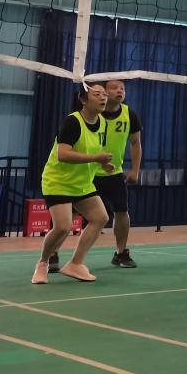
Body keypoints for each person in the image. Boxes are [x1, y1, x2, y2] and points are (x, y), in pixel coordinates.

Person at [32, 83, 113, 285]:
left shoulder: (103, 123)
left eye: (104, 94)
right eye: (97, 94)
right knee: (62, 227)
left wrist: (103, 164)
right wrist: (95, 158)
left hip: (82, 183)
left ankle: (76, 263)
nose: (103, 97)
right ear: (83, 100)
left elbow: (92, 150)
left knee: (100, 218)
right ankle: (42, 263)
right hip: (58, 181)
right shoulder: (72, 122)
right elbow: (63, 154)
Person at [92, 79, 143, 269]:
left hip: (115, 173)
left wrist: (135, 170)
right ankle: (53, 254)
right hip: (88, 172)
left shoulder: (129, 114)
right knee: (69, 214)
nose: (120, 91)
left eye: (122, 88)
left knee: (122, 212)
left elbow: (135, 143)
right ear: (103, 92)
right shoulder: (92, 113)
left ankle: (121, 253)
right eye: (114, 88)